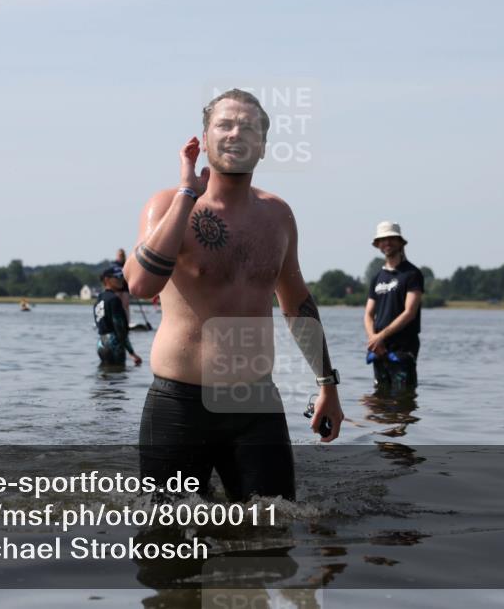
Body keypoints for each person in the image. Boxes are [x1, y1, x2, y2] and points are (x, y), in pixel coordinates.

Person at [124, 88, 343, 503]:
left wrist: (327, 385)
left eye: (248, 127)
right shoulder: (168, 204)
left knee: (272, 537)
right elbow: (140, 285)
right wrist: (189, 194)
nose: (235, 133)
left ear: (262, 146)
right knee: (167, 544)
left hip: (255, 405)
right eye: (224, 124)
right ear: (203, 140)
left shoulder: (278, 215)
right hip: (180, 403)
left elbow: (297, 303)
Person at [364, 222, 424, 393]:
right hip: (379, 349)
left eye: (391, 238)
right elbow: (368, 314)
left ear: (400, 242)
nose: (387, 242)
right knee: (379, 397)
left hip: (403, 348)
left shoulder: (412, 274)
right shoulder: (377, 277)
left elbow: (409, 312)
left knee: (403, 397)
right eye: (383, 239)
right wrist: (374, 339)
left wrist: (379, 337)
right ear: (378, 245)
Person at [94, 266, 142, 367]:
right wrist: (132, 353)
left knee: (105, 376)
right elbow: (120, 330)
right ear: (107, 280)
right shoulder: (114, 300)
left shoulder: (99, 300)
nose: (121, 280)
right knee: (119, 378)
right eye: (117, 277)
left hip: (100, 344)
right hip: (114, 345)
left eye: (122, 277)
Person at [112, 248, 131, 317]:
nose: (121, 256)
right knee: (116, 305)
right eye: (119, 255)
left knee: (125, 305)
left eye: (122, 255)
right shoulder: (114, 265)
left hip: (125, 287)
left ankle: (127, 321)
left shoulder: (127, 263)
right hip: (117, 287)